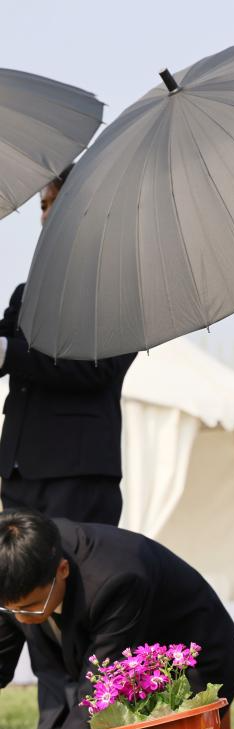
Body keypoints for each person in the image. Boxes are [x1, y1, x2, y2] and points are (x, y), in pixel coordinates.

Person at [0, 510, 234, 729]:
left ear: (62, 570)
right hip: (133, 662)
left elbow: (98, 694)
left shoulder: (115, 578)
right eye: (9, 609)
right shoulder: (12, 567)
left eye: (31, 607)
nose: (21, 618)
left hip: (191, 658)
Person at [0, 166, 136, 526]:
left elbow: (96, 368)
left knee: (70, 564)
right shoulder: (25, 293)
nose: (45, 216)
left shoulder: (117, 288)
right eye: (43, 206)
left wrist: (9, 352)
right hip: (18, 472)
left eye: (55, 205)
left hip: (76, 472)